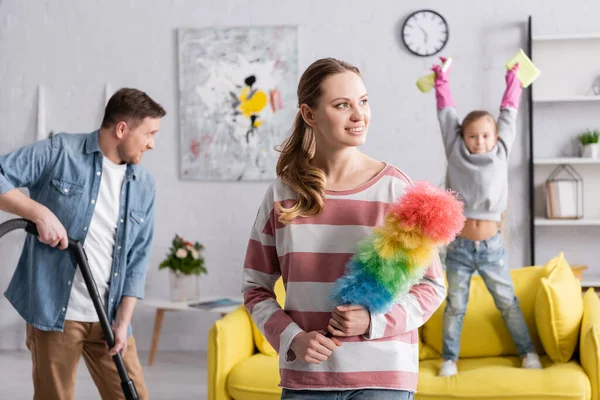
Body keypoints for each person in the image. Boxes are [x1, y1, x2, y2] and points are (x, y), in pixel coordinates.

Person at [242, 58, 446, 400]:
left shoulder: (395, 189)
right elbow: (254, 288)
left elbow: (431, 286)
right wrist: (292, 338)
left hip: (383, 379)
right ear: (310, 115)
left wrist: (373, 321)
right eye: (342, 105)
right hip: (307, 380)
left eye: (363, 102)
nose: (359, 115)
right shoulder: (283, 194)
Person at [0, 88, 166, 399]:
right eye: (149, 133)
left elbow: (137, 259)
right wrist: (38, 212)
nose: (152, 144)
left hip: (110, 317)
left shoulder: (143, 184)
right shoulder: (61, 152)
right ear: (122, 129)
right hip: (55, 313)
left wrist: (123, 321)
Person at [432, 57, 543, 377]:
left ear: (495, 137)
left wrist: (514, 78)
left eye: (485, 135)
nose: (479, 141)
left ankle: (528, 353)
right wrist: (441, 80)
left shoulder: (501, 149)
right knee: (455, 306)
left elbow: (509, 111)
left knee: (507, 302)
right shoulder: (455, 150)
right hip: (459, 249)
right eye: (472, 135)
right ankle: (449, 359)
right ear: (462, 137)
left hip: (492, 246)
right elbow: (446, 113)